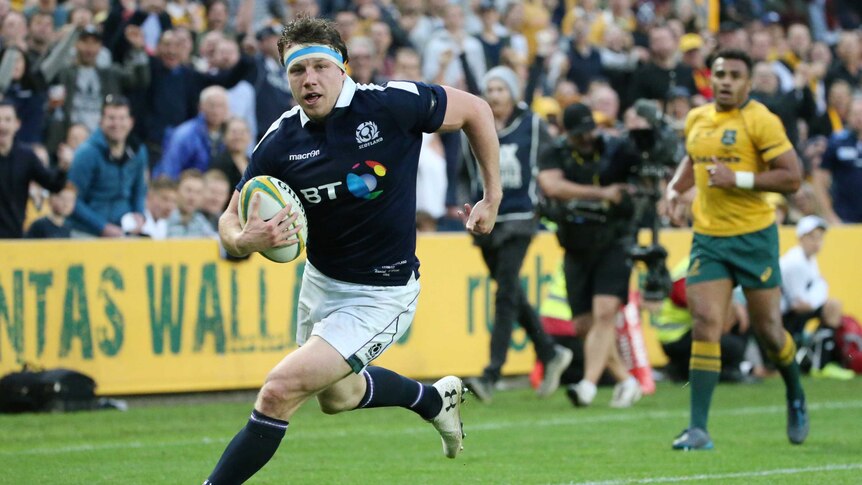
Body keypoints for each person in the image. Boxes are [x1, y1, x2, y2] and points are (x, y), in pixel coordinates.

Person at [204, 16, 500, 484]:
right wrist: (244, 239)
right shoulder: (281, 138)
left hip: (382, 293)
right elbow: (229, 216)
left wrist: (491, 195)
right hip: (321, 284)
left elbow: (477, 111)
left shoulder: (392, 105)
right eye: (296, 72)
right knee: (336, 398)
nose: (309, 80)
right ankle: (432, 400)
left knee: (279, 390)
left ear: (343, 67)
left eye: (319, 66)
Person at [665, 49, 807, 451]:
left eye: (735, 75)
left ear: (748, 82)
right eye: (721, 74)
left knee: (769, 333)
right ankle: (698, 429)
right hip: (708, 238)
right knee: (706, 322)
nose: (726, 81)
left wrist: (738, 179)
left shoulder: (761, 120)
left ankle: (795, 391)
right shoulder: (698, 117)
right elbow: (692, 158)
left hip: (753, 237)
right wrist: (674, 190)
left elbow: (793, 178)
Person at [462, 66, 573, 403]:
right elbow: (464, 172)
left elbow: (555, 159)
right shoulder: (474, 126)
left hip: (521, 218)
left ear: (512, 93)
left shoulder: (533, 126)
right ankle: (550, 353)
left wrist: (546, 194)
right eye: (490, 89)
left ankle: (491, 373)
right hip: (486, 221)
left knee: (506, 294)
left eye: (501, 89)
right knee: (510, 292)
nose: (494, 95)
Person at [536, 102, 643, 409]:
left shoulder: (614, 148)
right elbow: (552, 185)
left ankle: (587, 386)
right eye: (580, 134)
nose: (587, 138)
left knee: (605, 312)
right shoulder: (554, 152)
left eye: (590, 131)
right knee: (585, 325)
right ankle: (627, 380)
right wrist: (602, 194)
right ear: (568, 134)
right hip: (575, 245)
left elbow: (634, 181)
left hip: (614, 241)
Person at [67, 95, 148, 238]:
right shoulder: (86, 154)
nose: (116, 124)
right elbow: (73, 200)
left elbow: (139, 191)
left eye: (122, 118)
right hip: (87, 232)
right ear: (101, 122)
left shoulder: (138, 151)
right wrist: (102, 227)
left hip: (124, 231)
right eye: (111, 118)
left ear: (131, 122)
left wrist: (139, 215)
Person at [0, 101, 69, 238]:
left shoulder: (26, 157)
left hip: (14, 237)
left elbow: (53, 184)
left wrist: (63, 167)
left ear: (17, 124)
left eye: (8, 119)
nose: (2, 125)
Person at [155, 85, 229, 179]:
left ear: (227, 109)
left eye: (221, 106)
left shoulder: (230, 134)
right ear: (200, 107)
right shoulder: (185, 134)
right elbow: (169, 170)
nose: (216, 111)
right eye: (211, 105)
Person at [812, 97, 862, 224]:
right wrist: (829, 215)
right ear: (848, 116)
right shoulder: (836, 142)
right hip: (844, 217)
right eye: (855, 114)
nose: (859, 118)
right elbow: (819, 179)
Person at [165, 168, 217, 238]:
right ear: (177, 190)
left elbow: (216, 243)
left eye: (198, 192)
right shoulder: (164, 220)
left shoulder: (201, 221)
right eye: (188, 190)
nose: (192, 198)